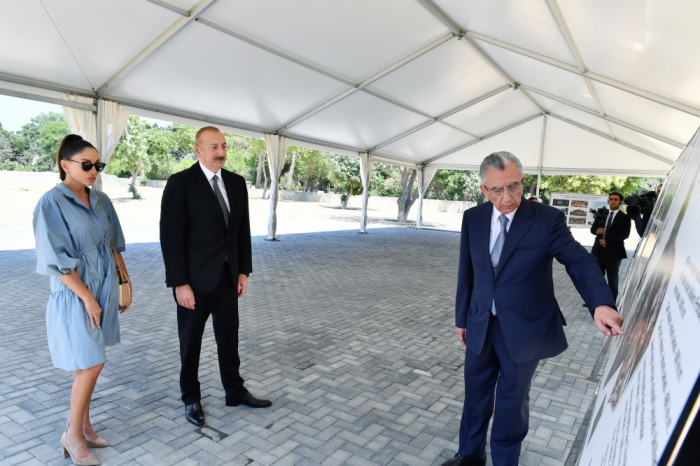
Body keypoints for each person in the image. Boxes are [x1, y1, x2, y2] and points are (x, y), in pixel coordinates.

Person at [444, 152, 624, 466]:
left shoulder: (546, 219)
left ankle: (504, 461)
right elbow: (467, 272)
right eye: (497, 190)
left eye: (513, 186)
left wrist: (601, 302)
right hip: (480, 324)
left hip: (525, 330)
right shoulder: (473, 218)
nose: (507, 196)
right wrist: (462, 318)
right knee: (475, 396)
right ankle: (470, 457)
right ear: (484, 190)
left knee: (512, 404)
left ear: (523, 181)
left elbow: (578, 260)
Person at [160, 126, 270, 427]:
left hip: (227, 278)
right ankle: (190, 397)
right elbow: (171, 238)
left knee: (229, 339)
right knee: (191, 342)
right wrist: (179, 283)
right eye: (213, 147)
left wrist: (243, 270)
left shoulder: (236, 183)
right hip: (193, 282)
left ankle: (234, 391)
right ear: (197, 150)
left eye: (223, 145)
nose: (220, 152)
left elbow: (241, 231)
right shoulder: (181, 183)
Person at [33, 134, 129, 466]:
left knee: (88, 365)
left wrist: (122, 285)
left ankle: (85, 427)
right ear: (65, 164)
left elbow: (114, 245)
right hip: (74, 292)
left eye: (98, 165)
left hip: (103, 288)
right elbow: (54, 261)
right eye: (86, 165)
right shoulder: (50, 203)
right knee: (90, 364)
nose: (94, 171)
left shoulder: (101, 200)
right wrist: (88, 298)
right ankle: (71, 436)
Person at [590, 192, 631, 300]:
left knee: (612, 279)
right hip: (598, 251)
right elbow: (593, 229)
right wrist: (597, 230)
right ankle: (597, 300)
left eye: (615, 199)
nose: (612, 201)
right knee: (597, 278)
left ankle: (611, 302)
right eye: (611, 199)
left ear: (620, 202)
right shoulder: (601, 214)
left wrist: (607, 241)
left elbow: (625, 234)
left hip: (614, 252)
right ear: (608, 201)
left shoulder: (624, 218)